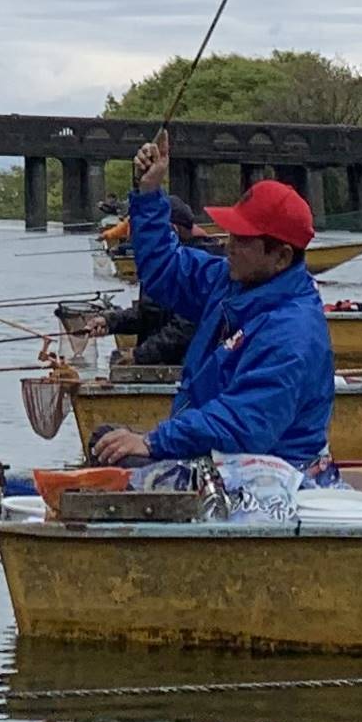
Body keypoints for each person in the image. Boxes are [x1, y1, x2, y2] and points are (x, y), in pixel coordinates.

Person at [85, 128, 334, 473]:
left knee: (121, 457)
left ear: (281, 256)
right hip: (219, 458)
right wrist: (150, 191)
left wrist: (154, 441)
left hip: (272, 474)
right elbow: (164, 270)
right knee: (104, 441)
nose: (230, 245)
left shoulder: (292, 332)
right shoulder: (230, 280)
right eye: (232, 234)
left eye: (244, 240)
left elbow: (243, 423)